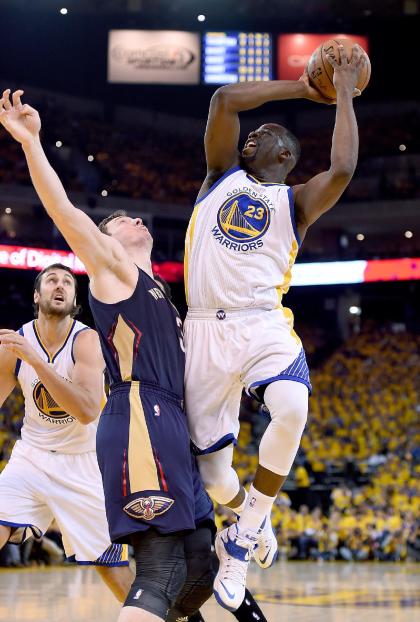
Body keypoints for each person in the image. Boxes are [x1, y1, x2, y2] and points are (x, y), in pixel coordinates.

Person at [0, 90, 268, 622]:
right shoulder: (115, 273)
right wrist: (31, 142)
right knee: (162, 566)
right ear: (107, 242)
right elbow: (65, 211)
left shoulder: (163, 294)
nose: (135, 219)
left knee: (196, 561)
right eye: (121, 219)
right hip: (137, 415)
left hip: (170, 419)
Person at [183, 43, 365, 608]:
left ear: (286, 153)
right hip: (203, 332)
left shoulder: (297, 202)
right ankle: (247, 515)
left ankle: (240, 540)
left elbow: (343, 168)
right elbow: (223, 99)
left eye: (262, 134)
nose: (249, 137)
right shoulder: (219, 176)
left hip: (262, 323)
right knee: (214, 479)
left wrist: (341, 94)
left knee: (293, 406)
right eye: (248, 135)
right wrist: (303, 86)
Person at [0, 263, 133, 602]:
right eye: (51, 280)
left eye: (68, 282)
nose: (59, 285)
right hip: (30, 457)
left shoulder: (86, 340)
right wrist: (24, 357)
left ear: (75, 298)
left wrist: (35, 361)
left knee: (115, 574)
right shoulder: (15, 344)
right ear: (36, 295)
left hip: (83, 464)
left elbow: (88, 410)